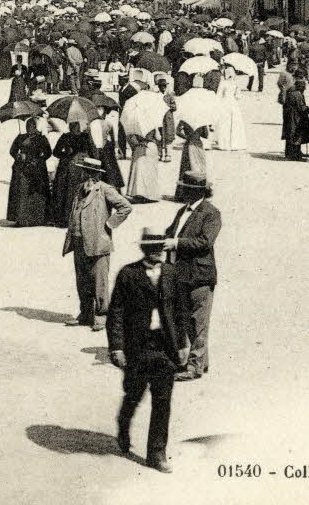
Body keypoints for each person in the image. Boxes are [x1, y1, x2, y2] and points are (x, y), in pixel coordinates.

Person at [107, 230, 188, 474]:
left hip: (165, 347)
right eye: (152, 248)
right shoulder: (128, 274)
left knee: (162, 402)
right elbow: (116, 313)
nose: (157, 252)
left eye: (160, 248)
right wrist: (117, 347)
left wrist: (183, 344)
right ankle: (123, 425)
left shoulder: (172, 274)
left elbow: (181, 312)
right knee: (133, 393)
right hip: (137, 347)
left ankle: (156, 453)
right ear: (144, 250)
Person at [65, 157, 133, 332]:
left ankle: (101, 316)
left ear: (96, 175)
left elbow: (125, 206)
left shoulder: (104, 189)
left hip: (98, 243)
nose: (86, 175)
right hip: (78, 241)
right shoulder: (79, 189)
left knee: (99, 281)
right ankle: (85, 313)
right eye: (84, 171)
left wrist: (109, 224)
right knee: (82, 280)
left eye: (90, 172)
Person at [163, 179, 220, 381]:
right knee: (188, 321)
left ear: (199, 191)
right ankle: (200, 363)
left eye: (186, 189)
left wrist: (177, 243)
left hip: (200, 276)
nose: (182, 191)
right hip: (182, 274)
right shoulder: (183, 210)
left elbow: (205, 241)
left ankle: (194, 367)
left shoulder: (211, 213)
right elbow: (171, 232)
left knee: (199, 321)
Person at [7, 118, 52, 226]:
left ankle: (36, 219)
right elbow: (12, 151)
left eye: (30, 126)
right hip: (22, 168)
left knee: (36, 194)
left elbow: (48, 152)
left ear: (35, 127)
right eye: (27, 126)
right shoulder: (21, 137)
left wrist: (39, 159)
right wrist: (18, 156)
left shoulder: (41, 138)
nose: (28, 128)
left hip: (37, 170)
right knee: (22, 193)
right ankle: (21, 219)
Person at [49, 120, 94, 227]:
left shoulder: (85, 137)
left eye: (77, 126)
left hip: (81, 170)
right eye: (73, 126)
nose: (75, 128)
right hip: (66, 169)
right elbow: (56, 152)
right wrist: (66, 153)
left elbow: (92, 152)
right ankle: (64, 219)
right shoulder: (65, 137)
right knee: (64, 193)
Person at [212, 65, 247, 150]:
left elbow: (218, 95)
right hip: (233, 103)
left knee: (225, 123)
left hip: (225, 102)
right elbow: (238, 96)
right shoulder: (235, 83)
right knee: (234, 123)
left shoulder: (223, 83)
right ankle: (235, 143)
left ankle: (224, 143)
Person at [125, 127, 162, 203]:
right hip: (151, 147)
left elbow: (130, 139)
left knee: (138, 172)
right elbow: (158, 138)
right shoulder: (152, 124)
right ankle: (151, 195)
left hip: (140, 147)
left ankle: (138, 193)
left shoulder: (134, 125)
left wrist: (136, 146)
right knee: (150, 172)